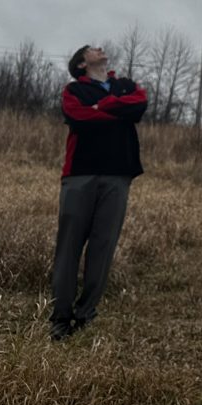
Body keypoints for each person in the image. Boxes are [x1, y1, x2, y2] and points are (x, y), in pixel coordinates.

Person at [50, 44, 147, 340]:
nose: (100, 49)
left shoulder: (126, 85)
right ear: (82, 63)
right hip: (80, 175)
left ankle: (86, 314)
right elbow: (78, 117)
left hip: (118, 175)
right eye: (92, 49)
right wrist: (116, 109)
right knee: (69, 247)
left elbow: (139, 105)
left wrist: (100, 107)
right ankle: (60, 318)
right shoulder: (74, 90)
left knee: (103, 248)